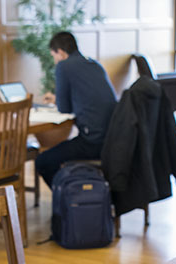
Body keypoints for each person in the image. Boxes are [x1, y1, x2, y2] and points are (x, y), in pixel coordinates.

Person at [36, 31, 118, 186]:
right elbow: (87, 97)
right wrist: (56, 98)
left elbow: (64, 109)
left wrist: (58, 101)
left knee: (43, 161)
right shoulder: (94, 64)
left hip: (92, 142)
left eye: (54, 56)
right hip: (112, 138)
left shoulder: (63, 67)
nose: (55, 61)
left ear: (60, 53)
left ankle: (68, 198)